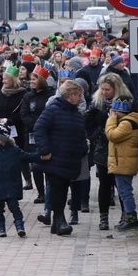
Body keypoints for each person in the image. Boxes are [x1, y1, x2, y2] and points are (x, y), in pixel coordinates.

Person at [33, 80, 88, 236]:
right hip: (55, 158)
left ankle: (57, 224)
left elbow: (80, 134)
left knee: (62, 189)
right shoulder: (53, 110)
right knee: (57, 188)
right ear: (71, 95)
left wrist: (83, 148)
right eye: (79, 95)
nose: (81, 99)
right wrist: (44, 150)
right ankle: (60, 221)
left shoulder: (76, 114)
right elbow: (39, 128)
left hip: (69, 159)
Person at [0, 124, 47, 238]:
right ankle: (1, 227)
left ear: (3, 139)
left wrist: (40, 156)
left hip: (12, 185)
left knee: (15, 207)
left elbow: (27, 156)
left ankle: (19, 225)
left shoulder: (14, 151)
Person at [85, 73, 131, 230]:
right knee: (104, 184)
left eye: (108, 89)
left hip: (120, 147)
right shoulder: (98, 102)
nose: (104, 92)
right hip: (102, 148)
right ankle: (103, 218)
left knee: (121, 184)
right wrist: (96, 135)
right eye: (102, 89)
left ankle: (126, 215)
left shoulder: (126, 102)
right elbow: (87, 119)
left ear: (115, 88)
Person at [106, 96, 138, 231]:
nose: (113, 114)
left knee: (125, 191)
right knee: (124, 191)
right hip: (122, 161)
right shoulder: (128, 121)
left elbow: (112, 135)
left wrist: (111, 120)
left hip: (123, 162)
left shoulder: (126, 123)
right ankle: (128, 217)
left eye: (114, 111)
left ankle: (131, 218)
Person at [0, 65, 31, 190]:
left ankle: (27, 178)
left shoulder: (23, 93)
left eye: (5, 79)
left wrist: (9, 120)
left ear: (12, 80)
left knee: (20, 153)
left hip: (17, 128)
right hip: (2, 128)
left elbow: (23, 112)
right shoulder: (1, 93)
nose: (3, 82)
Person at [21, 66, 52, 206]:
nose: (31, 81)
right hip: (32, 133)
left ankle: (50, 191)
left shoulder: (50, 95)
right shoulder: (28, 96)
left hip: (48, 133)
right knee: (35, 164)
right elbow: (24, 114)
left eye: (34, 79)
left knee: (49, 162)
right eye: (31, 79)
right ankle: (41, 193)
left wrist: (43, 125)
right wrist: (35, 125)